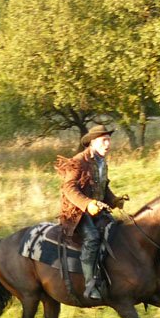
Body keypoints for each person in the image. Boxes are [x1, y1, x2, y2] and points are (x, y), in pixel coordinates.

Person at [55, 125, 127, 299]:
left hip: (96, 210)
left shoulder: (102, 162)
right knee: (93, 238)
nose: (108, 144)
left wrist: (114, 200)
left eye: (109, 140)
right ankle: (90, 285)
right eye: (104, 140)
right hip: (76, 213)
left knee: (118, 231)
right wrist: (87, 205)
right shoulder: (78, 161)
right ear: (93, 142)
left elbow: (103, 187)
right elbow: (68, 188)